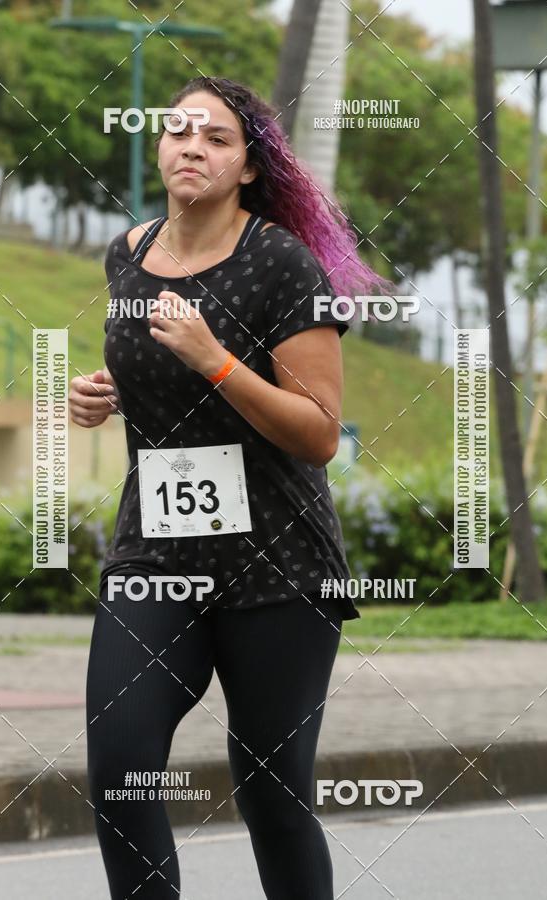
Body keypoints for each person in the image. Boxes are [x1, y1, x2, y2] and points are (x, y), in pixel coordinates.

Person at [69, 76, 390, 900]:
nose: (192, 147)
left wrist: (214, 359)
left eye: (216, 138)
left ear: (249, 166)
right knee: (121, 772)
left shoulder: (284, 263)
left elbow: (319, 432)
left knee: (273, 799)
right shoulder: (129, 253)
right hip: (157, 552)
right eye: (180, 132)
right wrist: (101, 394)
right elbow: (154, 378)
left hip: (276, 564)